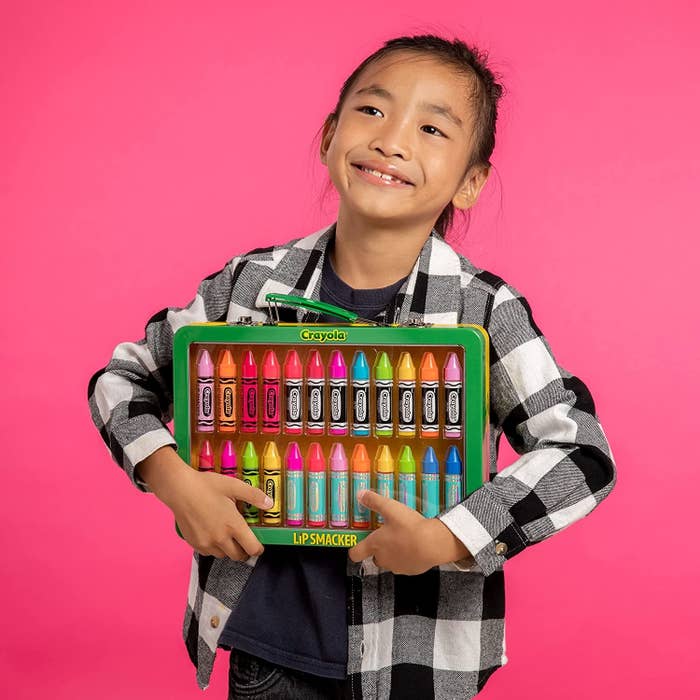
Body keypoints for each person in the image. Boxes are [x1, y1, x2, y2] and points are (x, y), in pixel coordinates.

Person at [87, 34, 617, 700]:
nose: (393, 140)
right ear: (330, 134)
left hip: (416, 664)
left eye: (431, 127)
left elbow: (581, 452)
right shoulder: (246, 286)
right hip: (265, 655)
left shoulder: (483, 310)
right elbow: (121, 380)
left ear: (471, 181)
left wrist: (448, 537)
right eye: (372, 111)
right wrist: (171, 478)